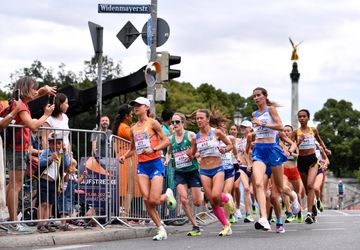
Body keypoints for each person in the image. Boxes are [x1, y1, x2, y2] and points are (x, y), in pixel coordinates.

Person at [119, 97, 175, 241]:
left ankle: (167, 195)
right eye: (134, 105)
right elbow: (133, 149)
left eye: (139, 105)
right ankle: (160, 229)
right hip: (142, 166)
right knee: (146, 199)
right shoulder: (133, 129)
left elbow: (167, 140)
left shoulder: (153, 123)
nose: (136, 107)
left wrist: (154, 149)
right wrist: (124, 157)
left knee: (154, 200)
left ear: (146, 107)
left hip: (155, 162)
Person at [5, 77, 55, 234]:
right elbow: (33, 125)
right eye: (34, 88)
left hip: (16, 148)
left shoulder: (19, 102)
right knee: (16, 185)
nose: (36, 91)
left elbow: (35, 96)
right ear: (26, 89)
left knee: (13, 185)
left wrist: (43, 91)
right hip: (18, 149)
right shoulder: (22, 107)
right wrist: (46, 115)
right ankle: (13, 223)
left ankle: (11, 221)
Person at [250, 87, 300, 233]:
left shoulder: (271, 110)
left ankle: (293, 196)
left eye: (259, 95)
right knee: (258, 183)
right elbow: (258, 130)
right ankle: (264, 218)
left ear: (265, 97)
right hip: (259, 150)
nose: (256, 98)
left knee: (280, 188)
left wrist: (262, 124)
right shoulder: (254, 114)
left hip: (272, 149)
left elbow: (279, 126)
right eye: (254, 96)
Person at [190, 109, 234, 236]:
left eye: (201, 118)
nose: (199, 121)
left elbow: (230, 145)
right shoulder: (196, 138)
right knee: (212, 200)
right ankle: (226, 225)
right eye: (197, 118)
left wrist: (225, 150)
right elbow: (193, 153)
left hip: (218, 168)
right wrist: (190, 155)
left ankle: (226, 198)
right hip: (204, 170)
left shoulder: (217, 132)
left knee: (216, 195)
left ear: (208, 119)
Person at [164, 112, 203, 236]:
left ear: (183, 123)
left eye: (177, 122)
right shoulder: (171, 139)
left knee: (197, 202)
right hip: (179, 172)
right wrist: (167, 159)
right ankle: (195, 225)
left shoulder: (191, 135)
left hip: (192, 171)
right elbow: (169, 152)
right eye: (173, 122)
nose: (174, 124)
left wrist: (192, 156)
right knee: (183, 199)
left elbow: (200, 151)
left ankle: (203, 190)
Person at [291, 109, 331, 224]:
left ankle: (308, 213)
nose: (302, 118)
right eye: (300, 117)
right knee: (308, 190)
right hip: (301, 161)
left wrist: (325, 149)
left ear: (308, 118)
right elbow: (292, 145)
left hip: (312, 159)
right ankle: (313, 206)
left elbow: (319, 140)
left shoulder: (313, 130)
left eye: (304, 116)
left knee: (310, 185)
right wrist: (297, 144)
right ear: (298, 119)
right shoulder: (296, 132)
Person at [37, 131, 70, 233]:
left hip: (54, 183)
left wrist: (64, 152)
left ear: (61, 144)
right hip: (44, 181)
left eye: (58, 143)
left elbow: (67, 164)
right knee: (43, 203)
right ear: (49, 144)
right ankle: (40, 224)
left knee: (50, 204)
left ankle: (46, 224)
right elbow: (40, 163)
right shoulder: (46, 152)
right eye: (53, 143)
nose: (56, 145)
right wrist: (50, 158)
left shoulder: (61, 154)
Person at [230, 121, 254, 223]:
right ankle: (248, 214)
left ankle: (265, 214)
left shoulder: (255, 138)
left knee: (256, 191)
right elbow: (237, 153)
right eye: (242, 127)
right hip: (242, 167)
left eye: (245, 127)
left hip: (255, 166)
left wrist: (250, 150)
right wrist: (238, 158)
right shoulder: (239, 141)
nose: (243, 128)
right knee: (246, 188)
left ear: (250, 128)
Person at [281, 125, 305, 223]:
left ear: (292, 132)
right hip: (284, 170)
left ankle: (298, 211)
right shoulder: (281, 143)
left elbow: (298, 155)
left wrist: (290, 153)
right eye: (285, 131)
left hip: (294, 170)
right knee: (284, 189)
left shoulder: (294, 143)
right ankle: (289, 211)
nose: (286, 132)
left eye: (288, 131)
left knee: (297, 192)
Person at [58, 159, 87, 231]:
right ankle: (63, 224)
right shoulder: (65, 174)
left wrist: (82, 176)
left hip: (70, 195)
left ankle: (66, 223)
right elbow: (65, 180)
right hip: (64, 195)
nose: (75, 169)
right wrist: (68, 173)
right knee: (64, 210)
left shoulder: (73, 175)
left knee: (68, 209)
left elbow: (77, 182)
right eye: (74, 167)